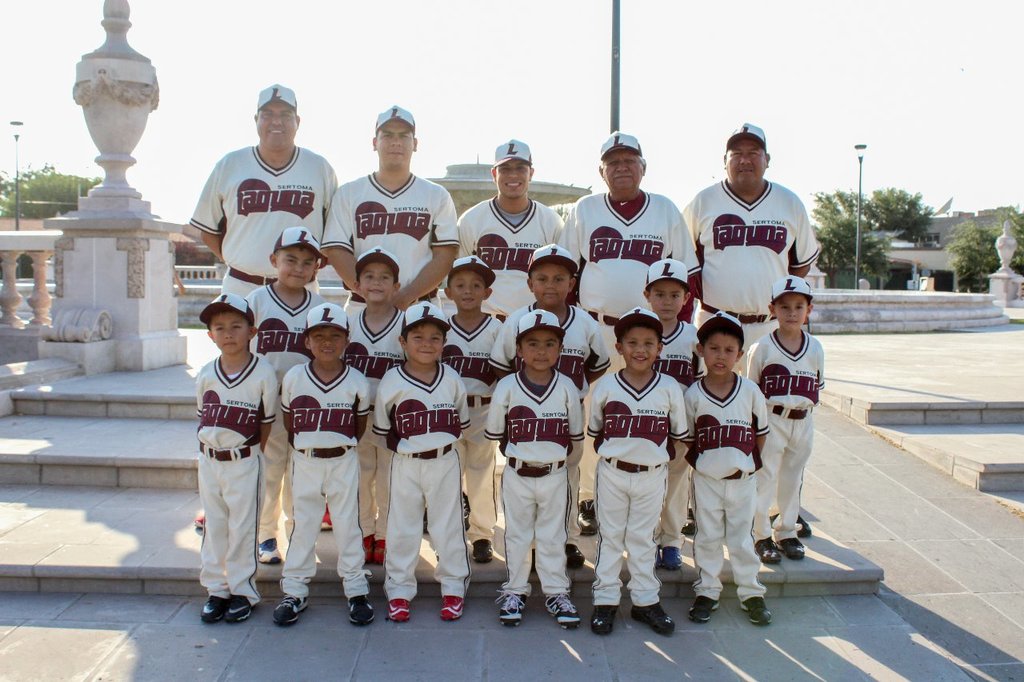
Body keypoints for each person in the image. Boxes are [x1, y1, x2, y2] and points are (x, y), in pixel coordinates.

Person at [559, 131, 698, 537]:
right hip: (600, 330)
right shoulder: (585, 209)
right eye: (613, 162)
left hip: (652, 333)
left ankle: (662, 506)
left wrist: (674, 334)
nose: (621, 167)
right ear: (602, 171)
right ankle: (589, 497)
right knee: (593, 417)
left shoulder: (665, 210)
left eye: (629, 160)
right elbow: (569, 274)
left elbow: (687, 276)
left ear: (643, 167)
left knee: (657, 416)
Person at [489, 244, 610, 569]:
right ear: (529, 283)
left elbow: (598, 362)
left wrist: (575, 385)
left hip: (566, 414)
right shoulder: (516, 320)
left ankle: (567, 540)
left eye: (559, 278)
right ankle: (528, 543)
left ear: (573, 283)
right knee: (524, 480)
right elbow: (501, 365)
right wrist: (519, 392)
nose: (551, 285)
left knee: (566, 478)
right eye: (542, 278)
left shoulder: (584, 323)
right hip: (527, 417)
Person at [587, 308, 687, 636]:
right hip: (613, 472)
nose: (640, 349)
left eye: (648, 342)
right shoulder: (605, 387)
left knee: (644, 539)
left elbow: (678, 433)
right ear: (619, 347)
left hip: (653, 473)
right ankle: (605, 601)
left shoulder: (670, 387)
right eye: (632, 342)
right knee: (611, 537)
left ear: (660, 348)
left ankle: (645, 601)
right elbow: (597, 430)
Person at [273, 303, 373, 627]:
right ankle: (295, 590)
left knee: (348, 525)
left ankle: (356, 590)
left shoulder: (356, 380)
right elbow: (291, 422)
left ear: (346, 340)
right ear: (307, 341)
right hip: (306, 459)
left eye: (335, 335)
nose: (327, 342)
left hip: (343, 458)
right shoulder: (294, 377)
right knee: (303, 525)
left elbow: (359, 426)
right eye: (319, 335)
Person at [683, 123, 819, 357]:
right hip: (713, 322)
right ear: (724, 161)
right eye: (736, 154)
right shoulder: (703, 202)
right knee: (710, 392)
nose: (744, 160)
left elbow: (801, 265)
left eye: (753, 153)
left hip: (770, 326)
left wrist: (781, 301)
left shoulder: (790, 203)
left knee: (769, 393)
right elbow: (682, 260)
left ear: (767, 159)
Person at [372, 303, 471, 623]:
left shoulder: (452, 378)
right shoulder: (392, 380)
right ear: (402, 342)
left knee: (448, 525)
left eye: (434, 337)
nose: (426, 343)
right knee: (402, 527)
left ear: (445, 343)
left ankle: (454, 586)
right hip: (405, 462)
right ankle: (399, 591)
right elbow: (382, 429)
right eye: (417, 336)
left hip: (444, 459)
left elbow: (461, 422)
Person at [190, 85, 338, 296]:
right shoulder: (230, 164)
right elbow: (207, 231)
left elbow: (335, 235)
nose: (276, 121)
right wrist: (239, 257)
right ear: (255, 120)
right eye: (267, 114)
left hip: (300, 289)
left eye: (285, 114)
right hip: (241, 286)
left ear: (298, 121)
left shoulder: (319, 167)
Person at [487, 310, 584, 628]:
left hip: (555, 474)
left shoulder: (568, 386)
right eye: (532, 343)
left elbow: (574, 436)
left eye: (549, 343)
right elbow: (498, 435)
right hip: (517, 472)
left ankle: (557, 591)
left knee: (553, 536)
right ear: (518, 349)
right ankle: (515, 589)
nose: (541, 351)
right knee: (516, 535)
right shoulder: (507, 387)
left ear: (560, 349)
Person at [323, 106, 459, 312]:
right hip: (363, 306)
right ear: (374, 143)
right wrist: (371, 295)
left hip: (420, 305)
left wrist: (407, 295)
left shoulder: (436, 194)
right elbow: (336, 250)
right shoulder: (349, 193)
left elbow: (445, 255)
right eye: (387, 135)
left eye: (404, 136)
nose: (396, 142)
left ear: (415, 144)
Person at [684, 312, 772, 627]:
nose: (721, 356)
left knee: (741, 537)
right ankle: (708, 589)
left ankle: (751, 591)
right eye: (714, 348)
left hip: (742, 479)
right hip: (706, 479)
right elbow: (689, 438)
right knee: (706, 536)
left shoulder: (749, 391)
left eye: (729, 349)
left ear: (740, 354)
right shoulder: (692, 393)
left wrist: (745, 465)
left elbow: (760, 433)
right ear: (701, 350)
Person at [194, 293, 278, 624]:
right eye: (220, 327)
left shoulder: (263, 373)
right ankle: (216, 589)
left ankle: (243, 590)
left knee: (243, 527)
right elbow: (203, 415)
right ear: (210, 335)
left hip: (244, 458)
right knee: (214, 525)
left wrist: (249, 451)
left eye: (236, 326)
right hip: (209, 460)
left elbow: (266, 421)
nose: (228, 333)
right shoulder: (205, 372)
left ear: (252, 332)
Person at [246, 227, 326, 564]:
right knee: (269, 471)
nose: (298, 267)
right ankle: (266, 535)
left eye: (307, 262)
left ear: (316, 269)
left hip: (306, 406)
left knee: (303, 476)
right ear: (273, 260)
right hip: (266, 404)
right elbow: (243, 355)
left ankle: (299, 535)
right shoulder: (255, 301)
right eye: (290, 259)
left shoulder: (320, 306)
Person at [746, 276, 823, 563]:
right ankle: (761, 534)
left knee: (792, 478)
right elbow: (751, 388)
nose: (792, 313)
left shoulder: (815, 348)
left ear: (809, 310)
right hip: (772, 418)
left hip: (802, 420)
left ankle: (787, 531)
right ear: (772, 309)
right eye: (785, 306)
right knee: (765, 478)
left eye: (798, 306)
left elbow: (817, 386)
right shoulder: (762, 347)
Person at [343, 248, 406, 564]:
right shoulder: (346, 323)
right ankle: (364, 531)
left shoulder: (407, 324)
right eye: (369, 276)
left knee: (390, 480)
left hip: (395, 419)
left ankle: (385, 535)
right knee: (359, 477)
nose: (377, 283)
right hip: (357, 417)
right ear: (357, 284)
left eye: (385, 277)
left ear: (397, 286)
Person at [458, 139, 564, 318]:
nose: (513, 175)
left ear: (531, 173)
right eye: (505, 169)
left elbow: (561, 279)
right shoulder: (471, 219)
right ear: (494, 174)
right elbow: (460, 278)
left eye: (520, 168)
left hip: (536, 323)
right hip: (486, 322)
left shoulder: (551, 221)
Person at [441, 256, 502, 563]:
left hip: (483, 410)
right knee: (447, 476)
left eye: (476, 285)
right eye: (460, 285)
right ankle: (449, 534)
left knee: (481, 475)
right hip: (447, 412)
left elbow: (506, 372)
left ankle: (482, 534)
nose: (468, 291)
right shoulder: (440, 328)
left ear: (487, 293)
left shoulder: (496, 327)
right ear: (447, 291)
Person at [642, 258, 700, 572]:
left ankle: (671, 541)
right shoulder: (638, 332)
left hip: (680, 426)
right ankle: (648, 539)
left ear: (686, 298)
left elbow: (701, 382)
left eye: (674, 295)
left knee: (676, 484)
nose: (667, 301)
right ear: (647, 295)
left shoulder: (692, 336)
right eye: (660, 293)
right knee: (648, 485)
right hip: (645, 425)